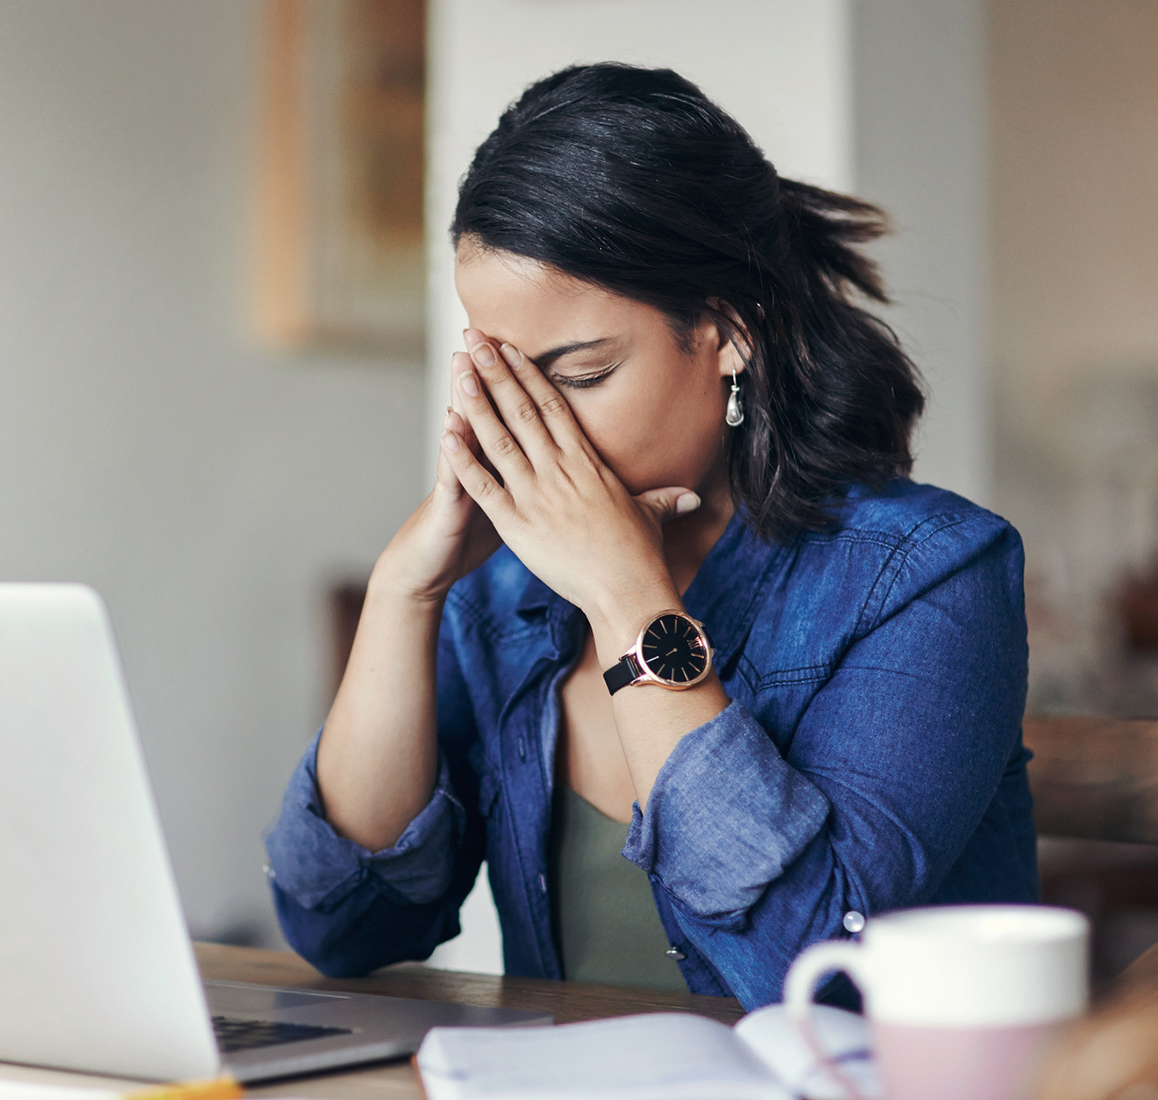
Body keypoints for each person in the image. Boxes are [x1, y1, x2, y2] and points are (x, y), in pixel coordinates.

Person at [264, 62, 1037, 1008]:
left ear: (728, 331)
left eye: (582, 374)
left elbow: (805, 974)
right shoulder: (505, 594)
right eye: (507, 378)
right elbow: (342, 926)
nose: (537, 428)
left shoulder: (927, 577)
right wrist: (405, 593)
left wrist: (628, 597)